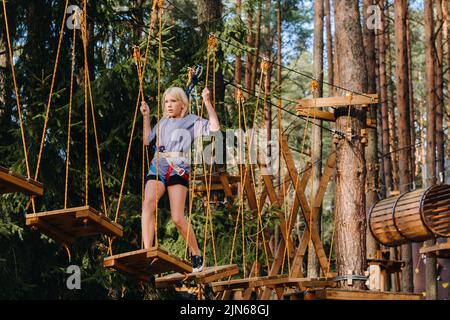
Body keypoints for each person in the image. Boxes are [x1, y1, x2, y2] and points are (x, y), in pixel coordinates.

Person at [140, 86, 220, 272]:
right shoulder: (162, 122)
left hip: (178, 168)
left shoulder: (191, 121)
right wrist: (146, 116)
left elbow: (215, 128)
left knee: (177, 218)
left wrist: (207, 102)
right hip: (158, 165)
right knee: (148, 204)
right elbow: (147, 141)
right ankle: (148, 251)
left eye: (173, 101)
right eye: (166, 102)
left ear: (182, 104)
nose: (168, 105)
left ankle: (196, 252)